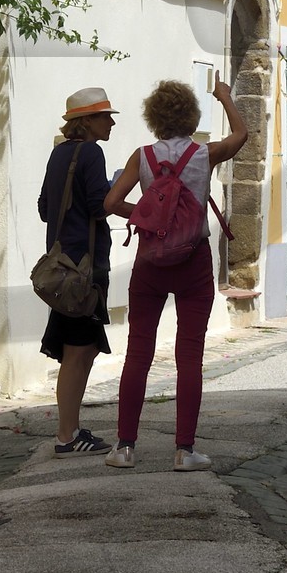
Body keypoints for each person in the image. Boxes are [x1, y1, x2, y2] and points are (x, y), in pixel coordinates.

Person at [102, 75, 250, 471]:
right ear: (190, 115)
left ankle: (125, 448)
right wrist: (224, 97)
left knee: (138, 354)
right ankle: (184, 451)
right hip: (193, 262)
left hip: (150, 261)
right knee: (189, 357)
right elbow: (242, 134)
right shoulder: (205, 154)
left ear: (154, 118)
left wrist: (147, 216)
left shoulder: (142, 156)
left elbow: (111, 201)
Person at [37, 85, 119, 456]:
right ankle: (66, 435)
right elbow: (99, 206)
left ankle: (69, 429)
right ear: (86, 121)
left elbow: (44, 207)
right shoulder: (91, 153)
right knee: (77, 352)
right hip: (83, 271)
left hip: (62, 266)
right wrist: (116, 190)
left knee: (81, 351)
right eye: (105, 116)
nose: (110, 123)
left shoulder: (60, 154)